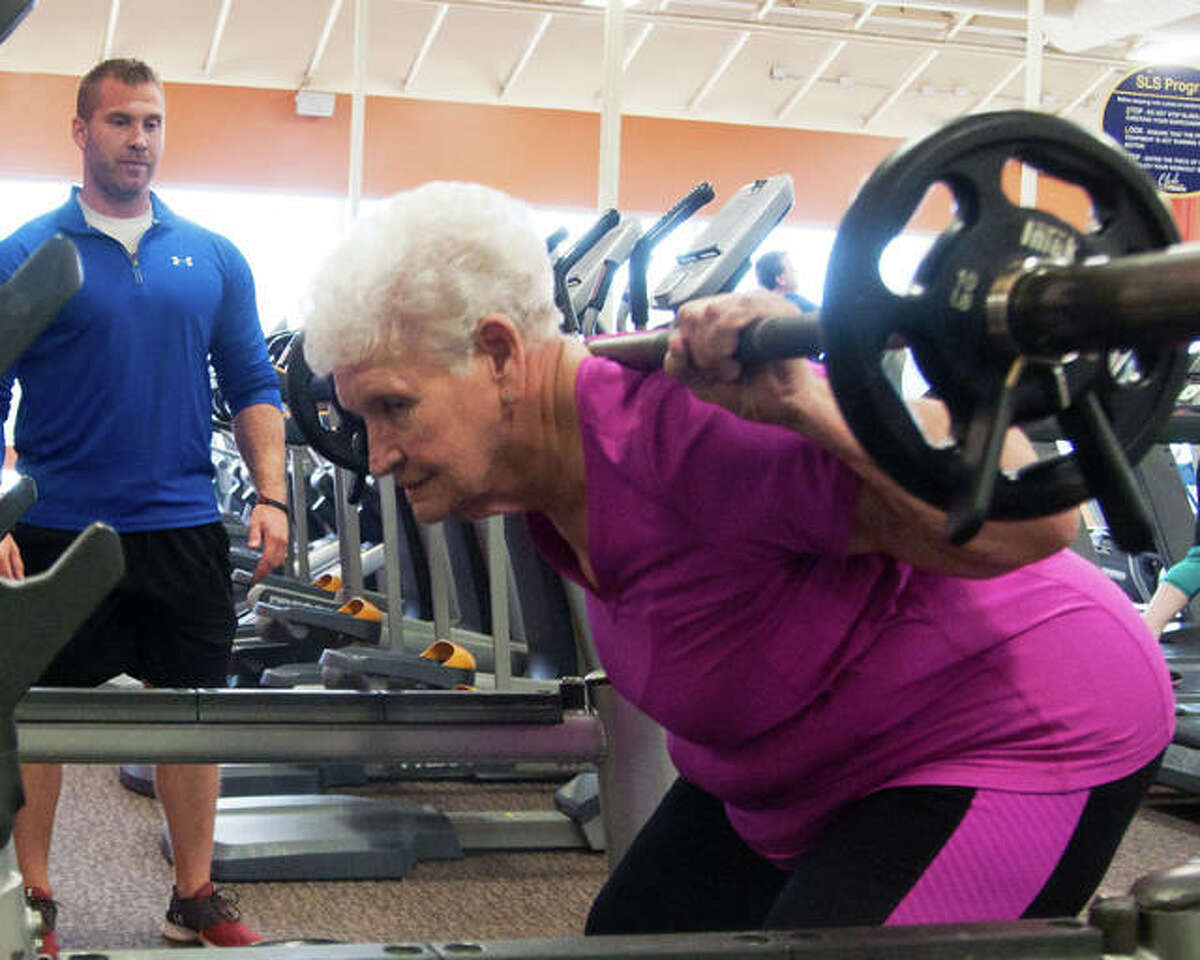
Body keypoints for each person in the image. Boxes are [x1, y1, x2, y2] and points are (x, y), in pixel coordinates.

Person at [300, 181, 1173, 934]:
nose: (375, 454)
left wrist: (804, 400)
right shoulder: (554, 466)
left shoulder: (693, 423)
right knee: (632, 940)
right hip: (807, 763)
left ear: (496, 353)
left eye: (394, 407)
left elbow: (1033, 519)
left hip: (1012, 725)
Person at [0, 59, 287, 953]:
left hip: (181, 526)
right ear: (82, 131)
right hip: (58, 526)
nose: (140, 140)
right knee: (39, 718)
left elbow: (252, 382)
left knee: (193, 714)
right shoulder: (26, 255)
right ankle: (35, 896)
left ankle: (193, 894)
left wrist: (273, 494)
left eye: (154, 124)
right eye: (122, 122)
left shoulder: (212, 255)